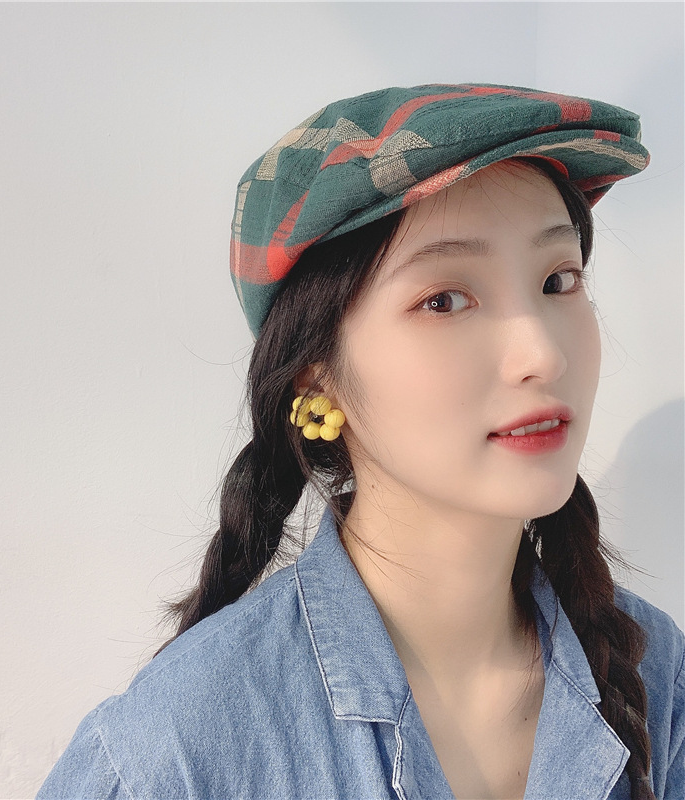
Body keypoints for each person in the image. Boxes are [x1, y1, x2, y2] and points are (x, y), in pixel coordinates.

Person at [37, 84, 683, 800]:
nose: (542, 354)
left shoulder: (658, 675)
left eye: (558, 280)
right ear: (316, 377)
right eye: (444, 300)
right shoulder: (172, 751)